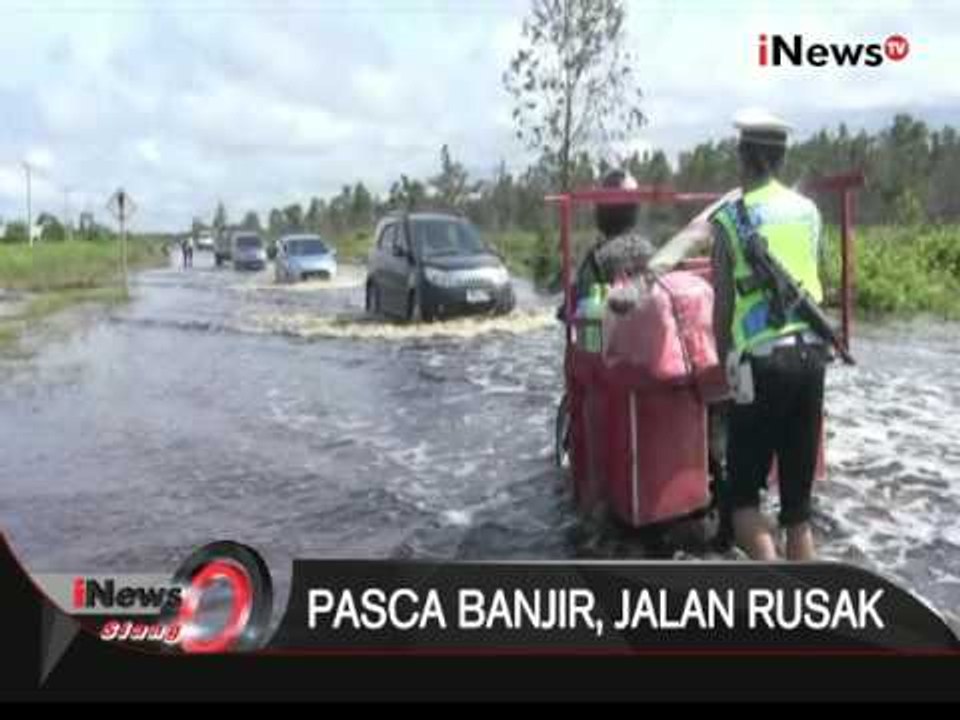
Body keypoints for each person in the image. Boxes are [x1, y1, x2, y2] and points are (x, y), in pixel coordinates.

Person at [710, 108, 829, 562]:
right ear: (779, 159)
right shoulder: (809, 211)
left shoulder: (730, 219)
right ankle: (812, 616)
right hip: (812, 358)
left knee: (743, 505)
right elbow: (816, 279)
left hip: (760, 364)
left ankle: (776, 607)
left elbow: (723, 306)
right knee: (797, 513)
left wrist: (726, 367)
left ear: (746, 159)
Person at [574, 169, 655, 302]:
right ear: (633, 210)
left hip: (608, 321)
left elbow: (583, 307)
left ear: (603, 211)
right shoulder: (649, 250)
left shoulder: (596, 259)